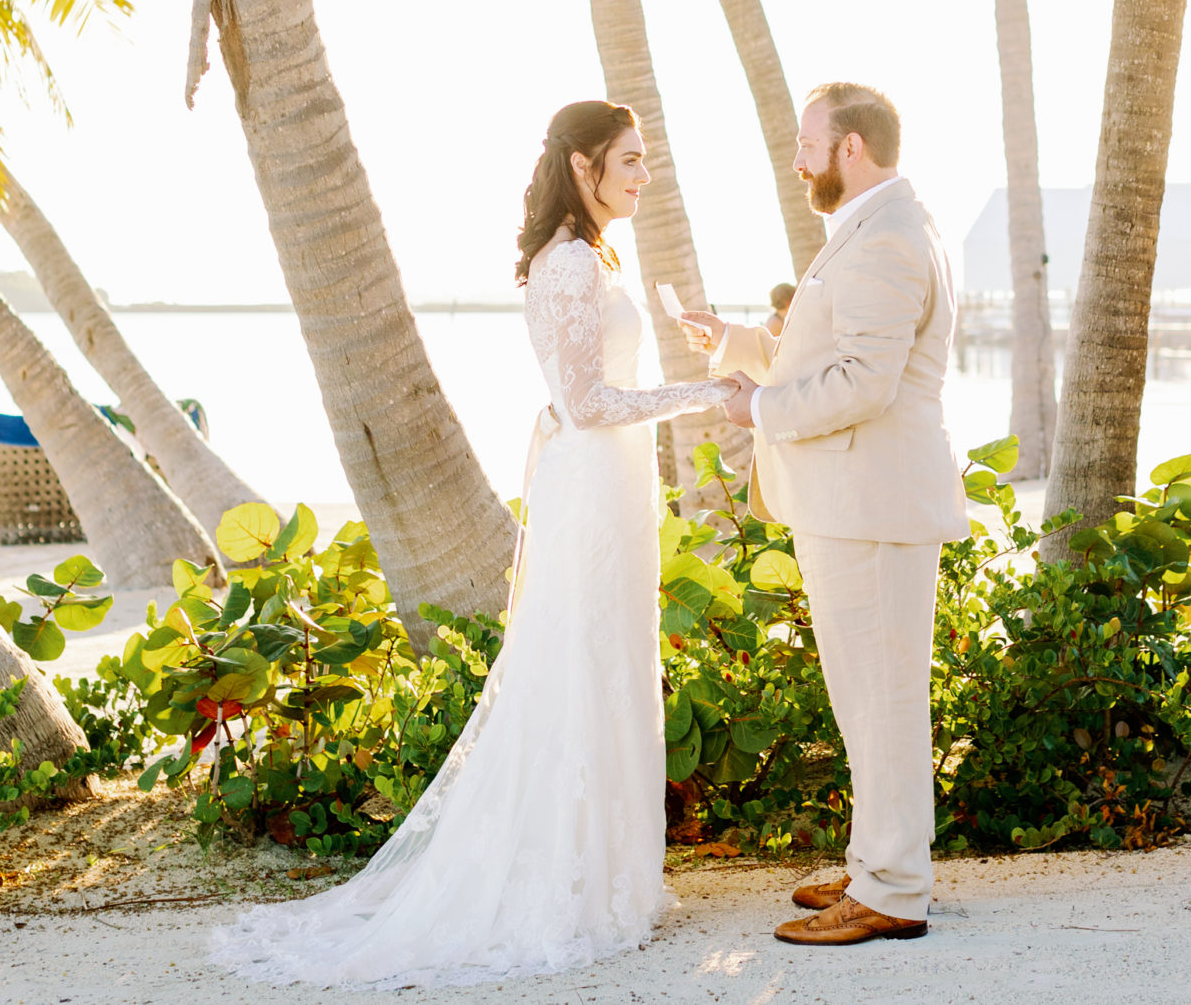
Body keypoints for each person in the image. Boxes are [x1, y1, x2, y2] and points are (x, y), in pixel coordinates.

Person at [211, 100, 731, 987]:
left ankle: (611, 874)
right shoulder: (569, 263)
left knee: (610, 661)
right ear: (582, 165)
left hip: (609, 488)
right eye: (631, 159)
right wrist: (703, 392)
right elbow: (587, 404)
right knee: (576, 667)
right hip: (590, 487)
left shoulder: (594, 255)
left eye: (646, 160)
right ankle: (568, 888)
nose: (646, 174)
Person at [679, 82, 969, 948]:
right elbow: (832, 354)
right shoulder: (878, 229)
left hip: (870, 506)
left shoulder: (886, 239)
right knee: (868, 701)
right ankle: (880, 862)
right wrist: (738, 346)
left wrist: (755, 411)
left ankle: (893, 890)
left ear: (851, 148)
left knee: (882, 702)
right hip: (855, 502)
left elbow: (864, 385)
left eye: (809, 143)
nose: (798, 158)